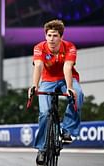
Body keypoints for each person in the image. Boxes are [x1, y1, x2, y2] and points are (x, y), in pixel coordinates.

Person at [28, 19, 84, 166]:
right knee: (45, 114)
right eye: (49, 35)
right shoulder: (39, 47)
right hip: (47, 81)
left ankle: (67, 130)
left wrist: (70, 87)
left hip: (67, 79)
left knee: (78, 95)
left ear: (61, 37)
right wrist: (34, 86)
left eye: (55, 36)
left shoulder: (70, 47)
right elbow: (38, 66)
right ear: (45, 36)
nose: (51, 39)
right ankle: (42, 148)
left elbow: (67, 67)